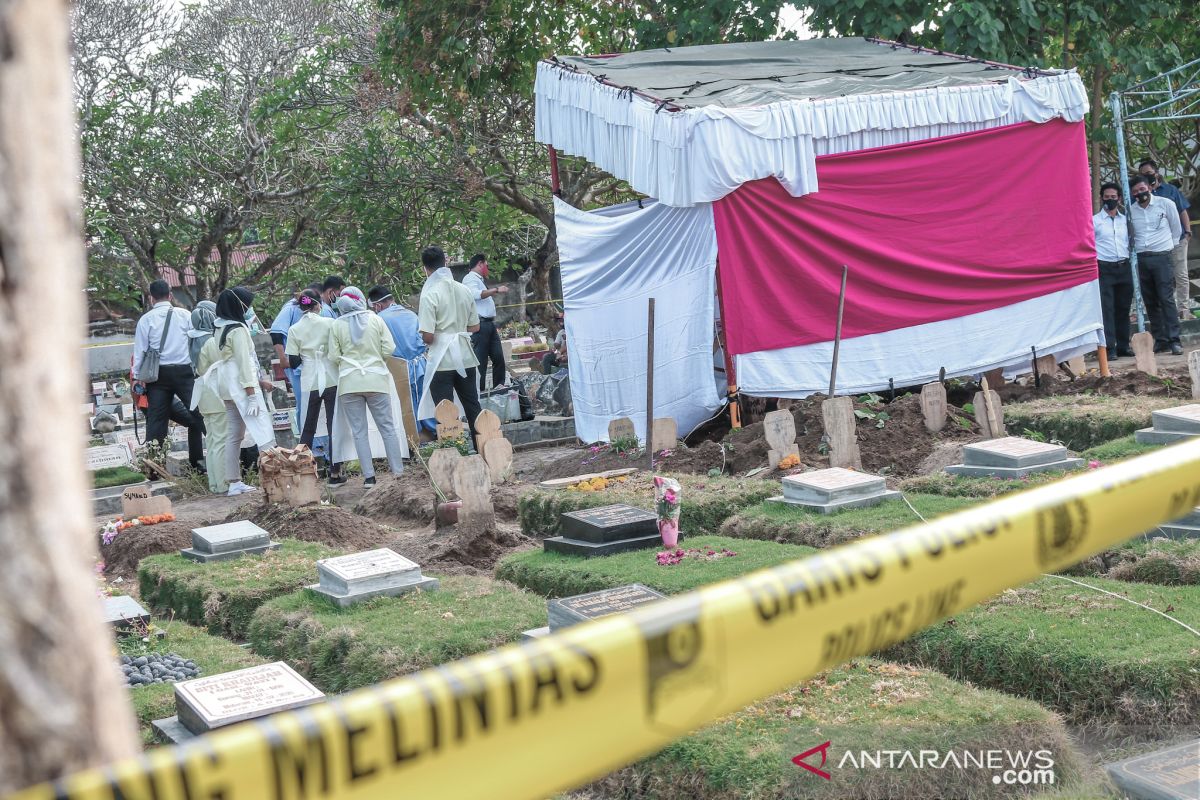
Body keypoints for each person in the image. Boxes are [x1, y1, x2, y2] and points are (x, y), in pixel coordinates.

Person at [328, 286, 407, 486]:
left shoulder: (336, 325)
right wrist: (374, 360)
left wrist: (350, 362)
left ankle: (369, 477)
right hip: (376, 380)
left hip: (349, 384)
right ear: (361, 300)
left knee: (359, 431)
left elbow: (333, 356)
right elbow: (389, 348)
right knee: (388, 428)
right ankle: (398, 473)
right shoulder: (375, 319)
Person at [132, 279, 205, 470]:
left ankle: (155, 467)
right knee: (200, 413)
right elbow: (195, 343)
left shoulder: (146, 320)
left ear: (150, 298)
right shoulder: (184, 315)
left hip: (158, 376)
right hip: (184, 371)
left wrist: (136, 378)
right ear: (170, 295)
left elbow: (140, 352)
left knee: (156, 421)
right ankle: (205, 460)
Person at [211, 287, 276, 495]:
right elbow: (243, 363)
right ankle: (273, 477)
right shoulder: (238, 329)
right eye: (247, 305)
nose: (249, 309)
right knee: (262, 430)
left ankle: (233, 481)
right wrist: (252, 394)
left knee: (234, 434)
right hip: (241, 386)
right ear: (239, 306)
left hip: (227, 385)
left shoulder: (219, 327)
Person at [416, 245, 483, 446]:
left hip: (442, 360)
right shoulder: (464, 289)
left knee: (445, 411)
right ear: (445, 262)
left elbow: (427, 336)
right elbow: (475, 326)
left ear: (425, 268)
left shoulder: (430, 294)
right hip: (466, 357)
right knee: (473, 406)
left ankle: (455, 451)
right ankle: (484, 447)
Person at [1129, 174, 1184, 355]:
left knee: (1166, 299)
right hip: (1142, 259)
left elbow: (1176, 230)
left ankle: (1174, 340)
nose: (1140, 193)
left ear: (1150, 188)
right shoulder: (1132, 211)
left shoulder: (1165, 204)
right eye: (1135, 191)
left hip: (1162, 256)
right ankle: (1160, 340)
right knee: (1150, 301)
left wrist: (1168, 249)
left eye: (1142, 189)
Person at [369, 285, 432, 434]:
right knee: (425, 399)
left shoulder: (379, 319)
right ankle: (433, 430)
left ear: (377, 305)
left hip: (398, 368)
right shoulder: (411, 314)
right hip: (421, 364)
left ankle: (412, 436)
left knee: (405, 404)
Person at [1138, 159, 1192, 318]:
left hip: (1178, 240)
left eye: (1148, 173)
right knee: (1160, 277)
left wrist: (1187, 231)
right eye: (1142, 175)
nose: (1146, 177)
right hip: (1155, 245)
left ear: (1156, 172)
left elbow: (1182, 211)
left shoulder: (1170, 190)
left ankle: (1184, 309)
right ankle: (1161, 310)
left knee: (1180, 274)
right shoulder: (1139, 195)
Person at [186, 301, 230, 493]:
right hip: (216, 394)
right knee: (220, 440)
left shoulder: (194, 339)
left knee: (212, 440)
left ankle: (214, 483)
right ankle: (222, 483)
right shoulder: (210, 341)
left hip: (203, 394)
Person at [1094, 183, 1135, 360]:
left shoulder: (1125, 220)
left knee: (1123, 307)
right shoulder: (1095, 221)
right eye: (1107, 197)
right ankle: (1110, 347)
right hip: (1104, 268)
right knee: (1107, 309)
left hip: (1124, 267)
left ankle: (1123, 346)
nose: (1110, 200)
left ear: (1119, 198)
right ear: (1102, 198)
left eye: (1113, 197)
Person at [461, 253, 509, 391]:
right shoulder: (470, 278)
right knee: (480, 360)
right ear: (480, 264)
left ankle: (499, 386)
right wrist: (496, 290)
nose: (487, 268)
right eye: (486, 265)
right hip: (479, 324)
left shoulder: (479, 279)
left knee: (498, 356)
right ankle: (479, 390)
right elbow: (474, 294)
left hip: (488, 323)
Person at [270, 282, 322, 400]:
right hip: (295, 363)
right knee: (304, 401)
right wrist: (283, 359)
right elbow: (276, 331)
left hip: (311, 363)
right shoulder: (291, 308)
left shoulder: (312, 313)